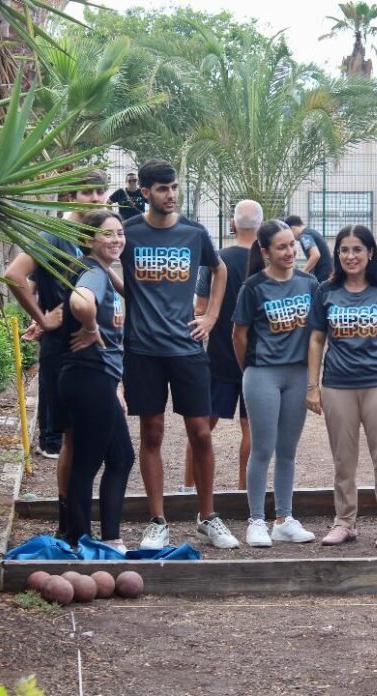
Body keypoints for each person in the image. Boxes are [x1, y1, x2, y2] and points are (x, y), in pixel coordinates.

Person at [121, 159, 239, 550]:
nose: (171, 195)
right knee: (151, 432)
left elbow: (219, 269)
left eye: (174, 187)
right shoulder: (129, 233)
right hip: (142, 350)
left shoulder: (193, 232)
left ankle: (208, 517)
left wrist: (212, 316)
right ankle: (157, 521)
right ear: (145, 192)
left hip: (187, 348)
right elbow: (102, 264)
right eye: (162, 189)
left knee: (201, 432)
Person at [3, 169, 108, 537]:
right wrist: (42, 319)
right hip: (63, 350)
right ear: (69, 197)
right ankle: (71, 523)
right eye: (87, 192)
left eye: (100, 192)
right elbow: (14, 275)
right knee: (72, 440)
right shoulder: (52, 234)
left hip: (93, 350)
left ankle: (80, 521)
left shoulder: (96, 235)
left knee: (91, 439)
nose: (96, 198)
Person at [306, 225, 377, 549]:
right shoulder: (325, 291)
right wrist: (312, 386)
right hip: (338, 385)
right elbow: (316, 339)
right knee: (343, 461)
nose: (350, 256)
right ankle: (345, 522)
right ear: (337, 255)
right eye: (344, 250)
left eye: (357, 249)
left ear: (370, 253)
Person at [232, 220, 320, 547]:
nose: (290, 251)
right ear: (265, 252)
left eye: (291, 244)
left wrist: (314, 380)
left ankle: (284, 519)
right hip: (262, 373)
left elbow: (317, 334)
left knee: (287, 450)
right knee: (262, 448)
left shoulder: (310, 283)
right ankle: (256, 520)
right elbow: (239, 335)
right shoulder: (253, 287)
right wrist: (250, 370)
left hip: (298, 375)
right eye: (281, 247)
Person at [59, 210, 132, 551]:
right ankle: (81, 542)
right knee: (89, 461)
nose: (117, 239)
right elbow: (80, 301)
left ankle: (109, 539)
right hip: (88, 375)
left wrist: (115, 386)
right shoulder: (92, 272)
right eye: (108, 233)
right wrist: (90, 327)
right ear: (89, 239)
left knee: (121, 457)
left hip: (99, 379)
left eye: (120, 233)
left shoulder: (100, 270)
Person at [185, 200, 261, 492]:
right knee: (251, 428)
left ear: (232, 225)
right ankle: (245, 491)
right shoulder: (268, 263)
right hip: (257, 358)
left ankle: (188, 488)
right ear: (260, 227)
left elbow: (200, 309)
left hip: (220, 357)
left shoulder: (217, 261)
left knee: (202, 426)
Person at [285, 215, 332, 282]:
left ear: (292, 228)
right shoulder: (311, 232)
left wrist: (303, 272)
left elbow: (315, 255)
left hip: (322, 275)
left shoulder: (304, 236)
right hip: (328, 273)